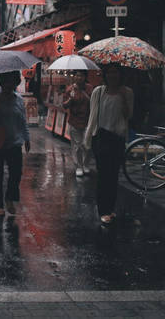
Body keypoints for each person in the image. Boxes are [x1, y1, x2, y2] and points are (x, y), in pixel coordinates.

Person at [84, 64, 133, 225]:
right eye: (110, 72)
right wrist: (89, 137)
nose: (113, 75)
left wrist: (124, 98)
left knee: (113, 176)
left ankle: (110, 209)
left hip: (117, 138)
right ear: (105, 75)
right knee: (103, 175)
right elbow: (92, 115)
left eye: (116, 72)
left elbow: (128, 115)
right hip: (101, 137)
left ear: (120, 75)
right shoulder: (98, 92)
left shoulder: (127, 92)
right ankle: (103, 210)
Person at [0, 71, 30, 216]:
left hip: (14, 142)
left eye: (13, 82)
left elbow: (23, 120)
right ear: (2, 82)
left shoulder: (19, 99)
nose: (10, 85)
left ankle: (10, 198)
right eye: (7, 82)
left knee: (16, 173)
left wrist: (27, 138)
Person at [61, 71, 94, 177]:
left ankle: (86, 164)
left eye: (81, 75)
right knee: (77, 146)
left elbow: (94, 103)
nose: (79, 77)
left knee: (87, 145)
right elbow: (64, 105)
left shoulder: (90, 89)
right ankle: (79, 166)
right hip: (74, 121)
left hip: (88, 121)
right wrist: (70, 98)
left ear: (85, 77)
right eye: (77, 75)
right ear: (74, 77)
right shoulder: (70, 89)